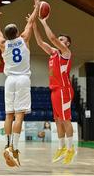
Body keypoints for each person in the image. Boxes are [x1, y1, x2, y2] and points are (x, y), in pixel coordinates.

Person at [0, 0, 40, 167]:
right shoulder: (24, 38)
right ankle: (14, 149)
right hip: (23, 79)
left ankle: (7, 144)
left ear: (6, 35)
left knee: (9, 115)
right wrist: (36, 7)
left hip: (9, 80)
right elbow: (31, 22)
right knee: (19, 116)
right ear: (17, 33)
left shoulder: (3, 43)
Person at [33, 15, 75, 164]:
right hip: (55, 91)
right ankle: (61, 147)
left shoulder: (66, 53)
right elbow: (39, 42)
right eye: (60, 39)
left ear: (67, 44)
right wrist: (33, 24)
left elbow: (52, 38)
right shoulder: (53, 53)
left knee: (65, 119)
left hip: (64, 90)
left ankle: (71, 149)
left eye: (62, 39)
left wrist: (43, 22)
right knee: (57, 120)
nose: (59, 40)